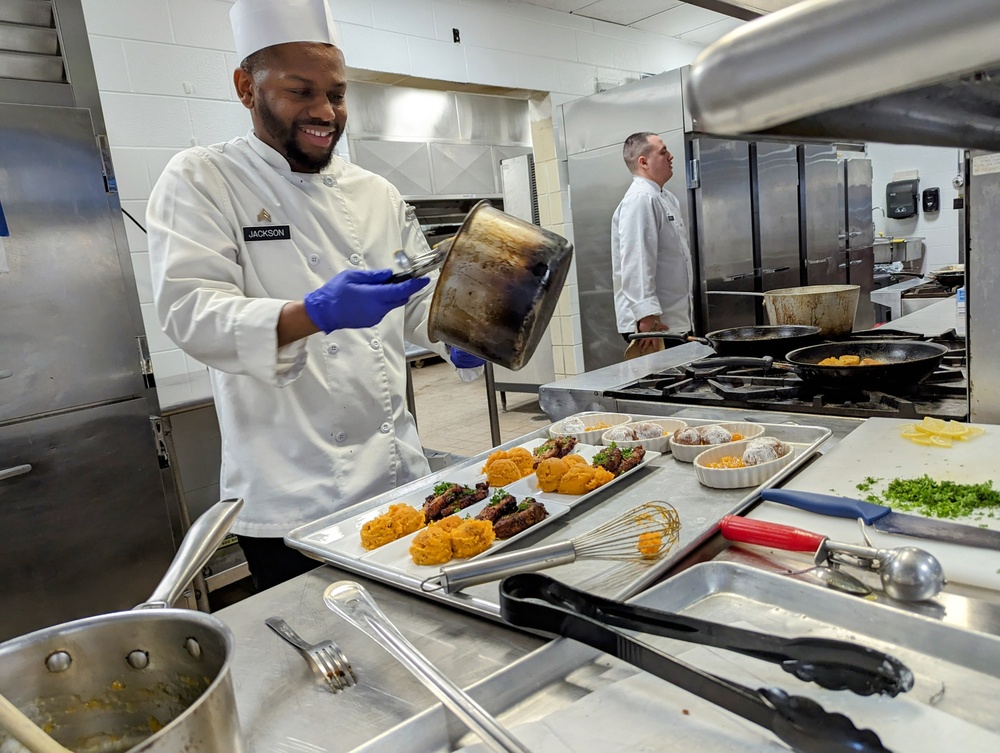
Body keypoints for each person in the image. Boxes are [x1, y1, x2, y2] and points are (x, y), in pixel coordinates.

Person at [146, 0, 484, 591]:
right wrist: (314, 313)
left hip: (398, 477)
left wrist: (454, 330)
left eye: (336, 93)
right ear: (245, 87)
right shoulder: (203, 177)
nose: (325, 112)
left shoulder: (375, 191)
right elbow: (189, 313)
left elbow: (409, 303)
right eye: (301, 91)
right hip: (292, 499)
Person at [611, 131, 694, 357]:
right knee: (662, 387)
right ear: (643, 162)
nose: (670, 156)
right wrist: (646, 317)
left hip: (670, 320)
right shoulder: (640, 199)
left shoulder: (665, 197)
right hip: (652, 325)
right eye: (663, 151)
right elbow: (637, 261)